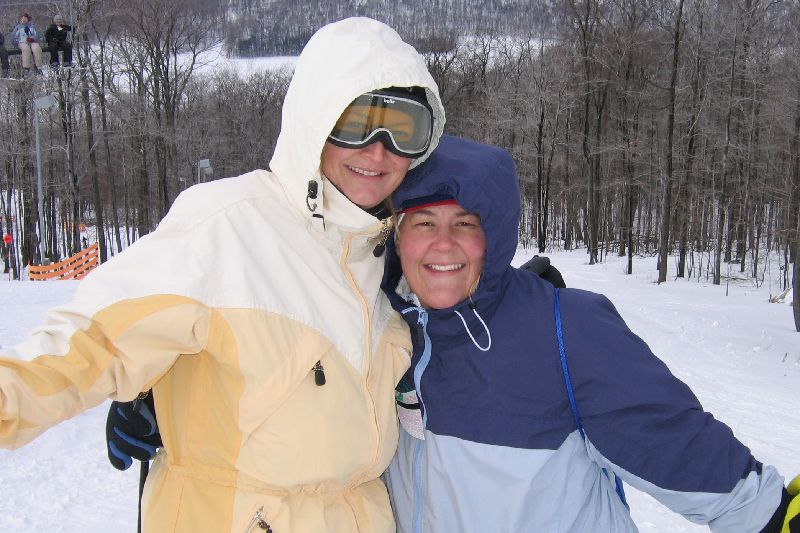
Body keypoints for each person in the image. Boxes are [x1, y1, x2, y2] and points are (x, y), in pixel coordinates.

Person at [0, 17, 444, 532]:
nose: (378, 149)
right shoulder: (229, 224)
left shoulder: (393, 259)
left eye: (403, 129)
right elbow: (91, 339)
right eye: (355, 123)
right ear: (315, 121)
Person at [380, 135, 799, 532]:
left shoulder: (566, 329)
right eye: (424, 223)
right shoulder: (378, 327)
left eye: (466, 223)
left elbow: (679, 444)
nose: (443, 243)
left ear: (494, 236)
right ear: (398, 236)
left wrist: (773, 515)